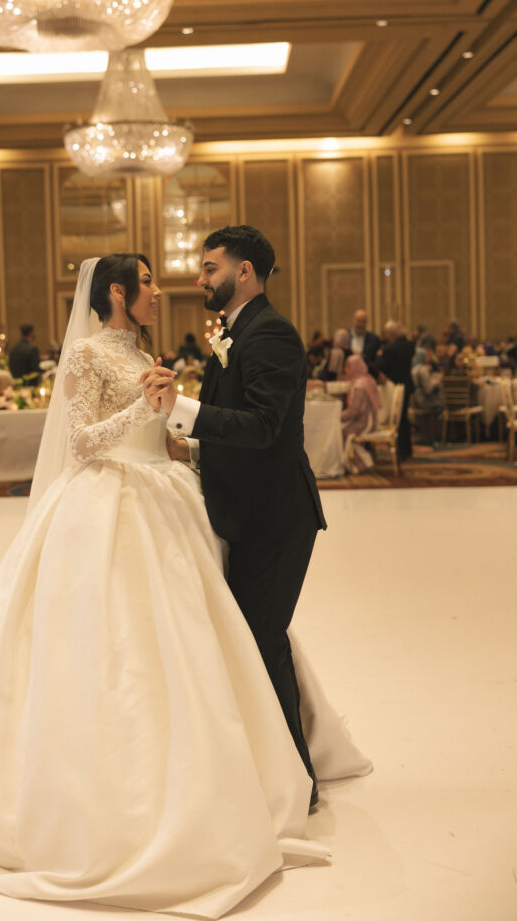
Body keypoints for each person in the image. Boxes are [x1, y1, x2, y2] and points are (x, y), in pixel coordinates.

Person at [0, 253, 369, 917]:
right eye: (146, 283)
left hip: (164, 496)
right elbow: (83, 444)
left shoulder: (144, 350)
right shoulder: (86, 355)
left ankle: (236, 766)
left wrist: (179, 430)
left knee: (199, 634)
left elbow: (163, 438)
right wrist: (139, 410)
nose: (157, 292)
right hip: (106, 502)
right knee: (114, 646)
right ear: (117, 290)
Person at [142, 225, 327, 808]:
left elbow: (266, 427)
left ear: (243, 272)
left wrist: (183, 410)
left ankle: (298, 783)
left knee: (262, 641)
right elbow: (239, 427)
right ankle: (272, 768)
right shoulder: (235, 332)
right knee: (252, 641)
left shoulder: (270, 334)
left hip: (274, 518)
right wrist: (191, 447)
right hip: (248, 513)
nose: (200, 278)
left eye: (210, 267)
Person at [375, 320, 415, 460]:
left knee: (397, 419)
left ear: (390, 333)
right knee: (403, 419)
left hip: (395, 387)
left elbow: (380, 366)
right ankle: (406, 449)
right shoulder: (409, 346)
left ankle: (402, 450)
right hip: (407, 385)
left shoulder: (389, 349)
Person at [340, 354, 381, 473]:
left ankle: (362, 464)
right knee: (341, 428)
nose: (345, 370)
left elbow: (354, 411)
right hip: (370, 419)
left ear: (355, 367)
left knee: (342, 431)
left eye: (348, 367)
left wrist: (337, 417)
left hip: (366, 422)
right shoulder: (367, 379)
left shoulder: (359, 385)